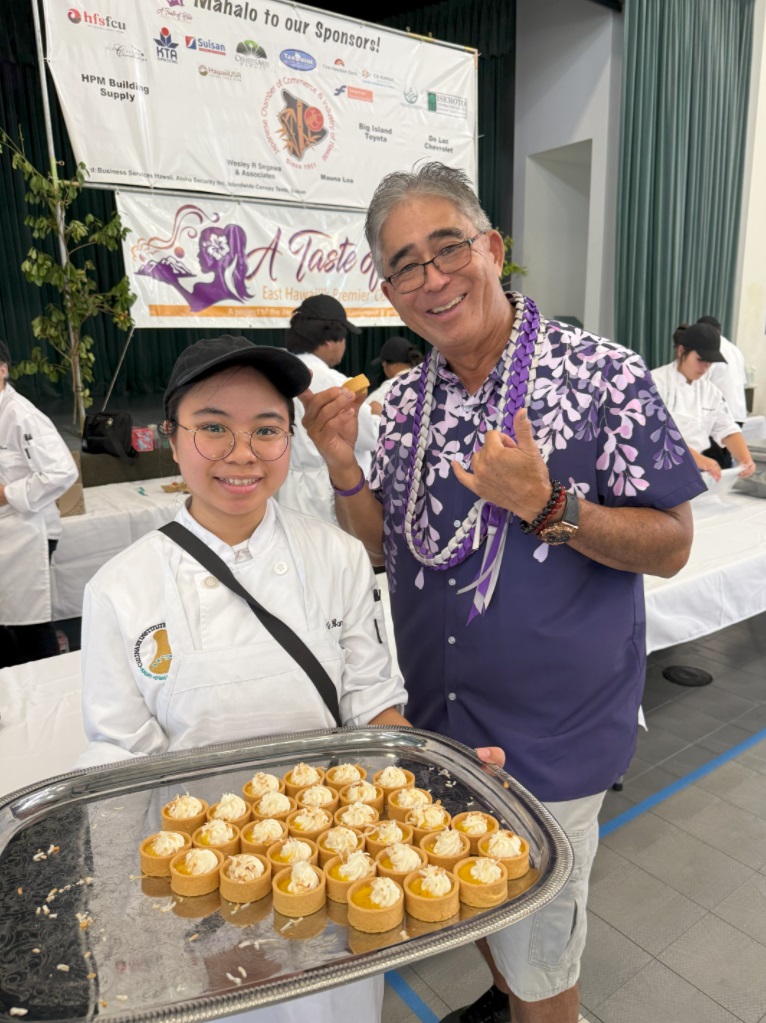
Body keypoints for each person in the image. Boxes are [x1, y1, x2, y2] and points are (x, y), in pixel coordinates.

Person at [300, 162, 707, 1023]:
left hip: (549, 733)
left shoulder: (605, 376)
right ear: (388, 289)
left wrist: (549, 504)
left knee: (544, 962)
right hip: (438, 723)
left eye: (447, 246)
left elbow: (671, 547)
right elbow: (385, 546)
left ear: (492, 247)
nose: (432, 277)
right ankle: (506, 990)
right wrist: (343, 468)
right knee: (478, 896)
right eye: (405, 264)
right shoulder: (404, 402)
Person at [76, 335, 410, 1023]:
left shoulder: (339, 557)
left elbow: (373, 703)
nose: (242, 452)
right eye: (213, 428)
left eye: (267, 429)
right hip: (196, 892)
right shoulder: (121, 588)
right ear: (171, 437)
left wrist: (434, 776)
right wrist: (126, 925)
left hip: (333, 873)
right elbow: (116, 764)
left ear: (291, 440)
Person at [0, 339, 78, 668]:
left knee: (27, 617)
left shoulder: (22, 415)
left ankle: (49, 678)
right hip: (7, 528)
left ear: (2, 370)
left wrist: (5, 494)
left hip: (30, 531)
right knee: (6, 616)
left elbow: (62, 472)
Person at [277, 294, 380, 525]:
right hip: (326, 494)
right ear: (330, 340)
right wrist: (377, 415)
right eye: (344, 339)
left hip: (287, 491)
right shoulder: (334, 382)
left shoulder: (278, 372)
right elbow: (371, 437)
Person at [652, 322, 756, 482]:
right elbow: (651, 433)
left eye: (710, 362)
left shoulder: (710, 391)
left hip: (693, 472)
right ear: (681, 351)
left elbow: (727, 428)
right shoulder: (655, 383)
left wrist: (745, 459)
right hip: (658, 470)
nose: (705, 367)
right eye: (700, 360)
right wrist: (694, 457)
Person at [696, 315, 748, 424]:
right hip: (738, 415)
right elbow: (742, 382)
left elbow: (698, 383)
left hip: (719, 417)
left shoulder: (710, 349)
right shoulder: (735, 350)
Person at [364, 335, 424, 410]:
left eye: (384, 365)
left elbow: (364, 412)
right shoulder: (427, 382)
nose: (384, 369)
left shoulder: (389, 387)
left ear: (394, 365)